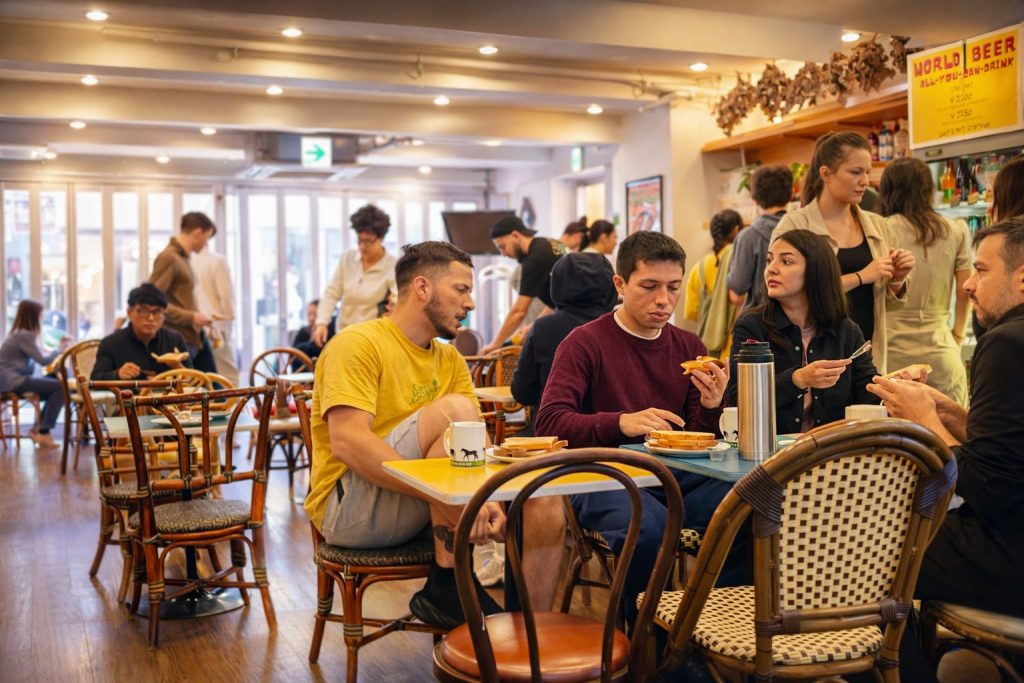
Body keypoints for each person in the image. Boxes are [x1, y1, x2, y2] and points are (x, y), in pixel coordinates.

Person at [304, 241, 563, 630]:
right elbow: (348, 442)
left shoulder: (450, 358)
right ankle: (450, 582)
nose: (471, 303)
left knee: (545, 499)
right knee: (456, 412)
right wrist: (453, 495)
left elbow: (474, 451)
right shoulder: (357, 344)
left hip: (417, 501)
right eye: (461, 289)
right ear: (422, 288)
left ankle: (528, 634)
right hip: (351, 511)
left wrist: (483, 495)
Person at [535, 231, 732, 624]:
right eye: (649, 286)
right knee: (649, 529)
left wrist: (712, 407)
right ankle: (646, 644)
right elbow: (550, 421)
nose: (664, 300)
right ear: (620, 285)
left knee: (750, 508)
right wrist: (622, 422)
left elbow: (696, 436)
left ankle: (714, 628)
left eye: (674, 287)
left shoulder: (688, 344)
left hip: (675, 473)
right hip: (602, 474)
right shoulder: (584, 343)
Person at [867, 217, 1024, 679]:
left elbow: (988, 487)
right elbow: (1010, 447)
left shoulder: (1007, 342)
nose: (969, 285)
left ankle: (899, 672)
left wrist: (924, 422)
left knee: (860, 537)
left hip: (1010, 556)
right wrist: (947, 410)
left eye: (981, 270)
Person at [774, 131, 915, 373]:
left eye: (867, 172)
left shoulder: (878, 226)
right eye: (855, 172)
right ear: (826, 173)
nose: (865, 181)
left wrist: (897, 279)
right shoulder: (795, 226)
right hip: (812, 361)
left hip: (867, 357)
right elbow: (783, 294)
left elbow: (888, 306)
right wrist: (861, 276)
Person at [727, 230, 879, 433]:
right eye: (769, 260)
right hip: (770, 455)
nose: (771, 269)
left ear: (816, 271)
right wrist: (798, 379)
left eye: (786, 262)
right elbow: (738, 398)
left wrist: (895, 386)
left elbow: (867, 393)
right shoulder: (751, 326)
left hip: (830, 453)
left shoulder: (845, 329)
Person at [879, 158, 971, 404]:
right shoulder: (956, 229)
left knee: (899, 438)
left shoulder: (882, 229)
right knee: (949, 437)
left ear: (888, 190)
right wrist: (958, 337)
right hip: (942, 349)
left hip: (892, 349)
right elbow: (965, 291)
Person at [510, 252, 617, 410]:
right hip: (614, 430)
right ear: (611, 284)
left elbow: (523, 393)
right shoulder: (621, 325)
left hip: (554, 430)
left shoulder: (542, 328)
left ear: (557, 284)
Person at [311, 204, 397, 348]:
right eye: (359, 240)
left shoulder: (392, 265)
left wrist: (395, 303)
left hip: (373, 340)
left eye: (368, 241)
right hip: (344, 334)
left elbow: (398, 296)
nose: (362, 246)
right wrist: (322, 323)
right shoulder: (347, 258)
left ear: (381, 238)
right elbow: (332, 293)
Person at [480, 215, 565, 354]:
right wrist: (532, 326)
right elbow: (557, 301)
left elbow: (519, 311)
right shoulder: (551, 243)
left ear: (515, 235)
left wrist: (495, 345)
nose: (503, 254)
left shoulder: (534, 260)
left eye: (502, 247)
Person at [149, 211, 216, 372]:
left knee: (213, 389)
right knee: (207, 390)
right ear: (198, 233)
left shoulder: (183, 258)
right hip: (179, 337)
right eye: (207, 238)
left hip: (192, 335)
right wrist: (191, 316)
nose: (206, 244)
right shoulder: (169, 258)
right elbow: (152, 301)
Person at [0, 299, 69, 449]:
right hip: (14, 381)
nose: (42, 317)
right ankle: (43, 432)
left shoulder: (19, 334)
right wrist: (60, 349)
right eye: (40, 314)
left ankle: (38, 428)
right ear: (33, 316)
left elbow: (40, 356)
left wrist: (58, 348)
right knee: (61, 388)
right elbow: (43, 360)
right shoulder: (24, 335)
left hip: (11, 379)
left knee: (54, 385)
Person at [91, 283, 192, 381]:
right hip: (127, 397)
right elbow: (95, 379)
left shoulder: (175, 339)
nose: (151, 318)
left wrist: (178, 367)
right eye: (144, 311)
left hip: (166, 397)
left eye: (157, 312)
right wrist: (117, 374)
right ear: (129, 312)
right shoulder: (111, 343)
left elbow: (194, 379)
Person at [727, 164, 793, 314]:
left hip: (758, 324)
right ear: (790, 196)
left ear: (754, 199)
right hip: (797, 322)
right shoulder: (802, 230)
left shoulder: (748, 236)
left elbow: (737, 290)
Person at [684, 209, 742, 360]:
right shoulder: (740, 263)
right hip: (735, 344)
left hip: (709, 345)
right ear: (737, 230)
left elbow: (692, 310)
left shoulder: (700, 267)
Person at [190, 245, 239, 386]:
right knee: (228, 375)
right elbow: (226, 296)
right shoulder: (218, 261)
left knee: (203, 378)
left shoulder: (188, 261)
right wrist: (230, 318)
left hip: (195, 328)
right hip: (217, 326)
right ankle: (233, 407)